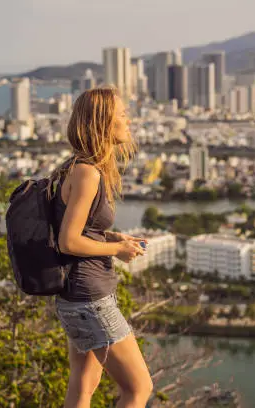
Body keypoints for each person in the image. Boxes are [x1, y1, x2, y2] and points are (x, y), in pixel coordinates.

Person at [51, 87, 153, 408]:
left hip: (76, 297)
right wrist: (116, 251)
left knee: (84, 385)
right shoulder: (87, 173)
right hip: (90, 298)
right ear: (103, 123)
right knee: (138, 389)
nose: (128, 120)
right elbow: (68, 241)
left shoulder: (76, 166)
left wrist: (116, 239)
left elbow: (83, 231)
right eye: (122, 115)